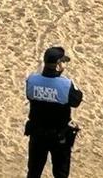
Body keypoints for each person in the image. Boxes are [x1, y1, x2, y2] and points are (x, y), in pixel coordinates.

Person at [24, 46, 83, 178]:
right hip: (59, 136)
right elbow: (77, 100)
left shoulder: (32, 80)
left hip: (37, 134)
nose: (65, 64)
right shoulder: (66, 85)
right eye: (63, 62)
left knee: (34, 172)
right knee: (61, 173)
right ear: (58, 65)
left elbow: (30, 96)